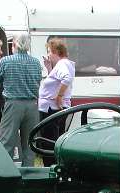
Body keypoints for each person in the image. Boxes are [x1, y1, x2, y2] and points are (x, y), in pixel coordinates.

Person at [0, 33, 42, 167]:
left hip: (13, 104)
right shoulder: (36, 62)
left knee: (7, 141)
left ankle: (6, 172)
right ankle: (28, 174)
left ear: (14, 45)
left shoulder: (5, 61)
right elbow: (38, 81)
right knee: (29, 143)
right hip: (32, 104)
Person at [38, 38, 75, 167]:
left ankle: (50, 168)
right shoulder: (65, 64)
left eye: (49, 51)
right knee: (56, 139)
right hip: (58, 108)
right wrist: (49, 68)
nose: (48, 54)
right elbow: (58, 81)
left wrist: (59, 95)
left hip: (51, 108)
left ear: (55, 52)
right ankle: (56, 166)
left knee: (48, 141)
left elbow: (66, 78)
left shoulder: (62, 64)